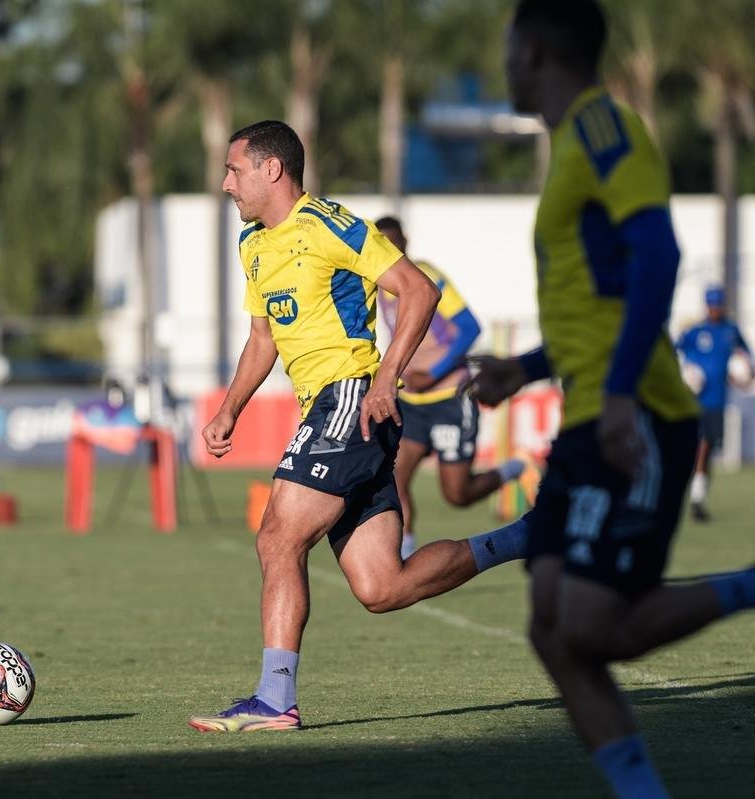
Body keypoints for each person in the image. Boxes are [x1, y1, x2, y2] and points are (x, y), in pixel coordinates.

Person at [471, 2, 755, 796]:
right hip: (586, 417)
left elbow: (657, 256)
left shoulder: (604, 130)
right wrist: (525, 368)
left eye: (508, 47)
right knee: (552, 628)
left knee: (595, 625)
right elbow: (597, 305)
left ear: (533, 50)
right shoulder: (570, 145)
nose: (505, 61)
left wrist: (624, 393)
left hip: (639, 416)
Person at [188, 120, 531, 733]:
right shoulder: (253, 244)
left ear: (272, 169)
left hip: (348, 398)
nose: (226, 184)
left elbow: (418, 292)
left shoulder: (331, 224)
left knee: (277, 537)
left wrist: (385, 377)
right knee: (381, 587)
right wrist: (230, 408)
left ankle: (274, 699)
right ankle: (525, 537)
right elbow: (262, 339)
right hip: (335, 411)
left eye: (234, 170)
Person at [374, 216, 529, 557]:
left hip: (449, 399)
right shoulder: (379, 283)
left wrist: (432, 373)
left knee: (457, 494)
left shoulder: (426, 276)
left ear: (405, 242)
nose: (387, 250)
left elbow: (469, 327)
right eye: (381, 243)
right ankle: (403, 558)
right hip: (411, 403)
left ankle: (511, 469)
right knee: (394, 479)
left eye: (393, 242)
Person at [675, 285, 753, 521]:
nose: (715, 309)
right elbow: (674, 353)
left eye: (718, 305)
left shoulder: (730, 330)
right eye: (712, 305)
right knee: (701, 446)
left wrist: (742, 376)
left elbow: (745, 359)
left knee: (708, 452)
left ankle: (699, 497)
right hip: (695, 402)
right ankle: (694, 498)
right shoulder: (696, 332)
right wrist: (687, 373)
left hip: (718, 402)